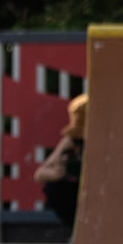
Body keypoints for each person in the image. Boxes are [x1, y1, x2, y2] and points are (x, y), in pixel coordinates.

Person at [35, 93, 89, 227]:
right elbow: (40, 174)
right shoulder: (72, 141)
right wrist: (56, 173)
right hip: (78, 191)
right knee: (54, 189)